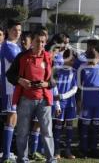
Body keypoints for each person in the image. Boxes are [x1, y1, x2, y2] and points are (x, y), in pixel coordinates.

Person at [6, 29, 56, 163]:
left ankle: (51, 159)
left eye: (43, 42)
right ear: (32, 42)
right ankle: (22, 159)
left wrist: (46, 84)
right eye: (38, 41)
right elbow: (10, 75)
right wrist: (20, 80)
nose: (40, 44)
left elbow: (53, 80)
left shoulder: (49, 57)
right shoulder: (22, 57)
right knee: (22, 132)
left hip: (43, 100)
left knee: (47, 132)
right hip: (25, 99)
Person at [78, 41, 99, 158]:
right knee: (85, 125)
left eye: (95, 57)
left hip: (98, 103)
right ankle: (83, 148)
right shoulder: (82, 68)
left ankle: (94, 148)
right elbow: (78, 86)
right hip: (86, 102)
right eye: (90, 57)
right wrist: (79, 100)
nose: (93, 59)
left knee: (96, 125)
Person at [0, 20, 22, 163]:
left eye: (19, 30)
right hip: (9, 87)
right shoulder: (7, 46)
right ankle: (6, 155)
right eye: (15, 29)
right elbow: (18, 64)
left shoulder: (15, 46)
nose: (17, 32)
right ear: (8, 30)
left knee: (12, 119)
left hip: (15, 87)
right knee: (11, 118)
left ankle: (7, 152)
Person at [53, 49, 78, 159]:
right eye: (71, 60)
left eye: (73, 60)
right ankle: (56, 150)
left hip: (70, 105)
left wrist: (63, 96)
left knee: (69, 127)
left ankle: (68, 150)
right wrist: (57, 103)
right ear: (64, 58)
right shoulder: (57, 71)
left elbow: (75, 89)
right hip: (59, 104)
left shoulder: (74, 72)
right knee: (58, 127)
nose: (72, 62)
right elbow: (54, 88)